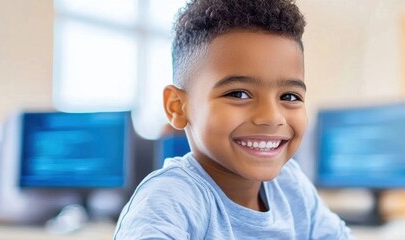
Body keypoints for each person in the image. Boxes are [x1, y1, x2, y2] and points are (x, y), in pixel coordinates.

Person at [114, 0, 352, 239]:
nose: (271, 117)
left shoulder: (290, 184)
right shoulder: (171, 197)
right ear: (177, 107)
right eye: (238, 94)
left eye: (289, 96)